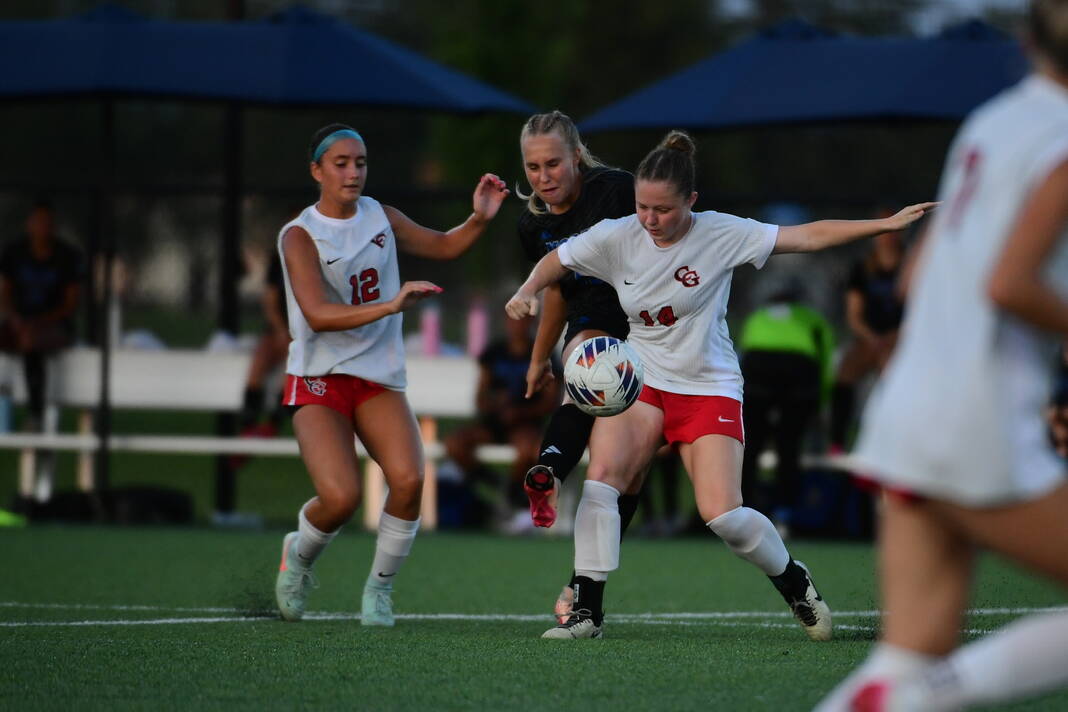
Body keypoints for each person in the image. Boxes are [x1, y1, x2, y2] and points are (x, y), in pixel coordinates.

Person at [506, 129, 934, 641]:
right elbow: (557, 261)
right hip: (645, 381)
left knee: (723, 514)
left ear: (691, 200)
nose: (649, 220)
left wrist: (885, 224)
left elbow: (807, 236)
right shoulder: (618, 234)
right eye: (642, 207)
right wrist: (527, 290)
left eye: (663, 209)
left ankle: (794, 580)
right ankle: (586, 613)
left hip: (708, 385)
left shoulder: (721, 233)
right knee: (602, 480)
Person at [816, 1, 1068, 708]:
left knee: (906, 659)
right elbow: (1009, 283)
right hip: (978, 423)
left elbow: (915, 278)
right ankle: (929, 697)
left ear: (1027, 40)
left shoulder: (991, 122)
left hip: (908, 409)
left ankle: (917, 694)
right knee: (914, 687)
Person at [274, 123, 508, 626]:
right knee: (341, 498)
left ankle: (378, 591)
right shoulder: (299, 235)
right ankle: (299, 555)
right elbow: (317, 314)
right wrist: (391, 305)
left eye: (360, 162)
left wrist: (479, 218)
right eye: (340, 163)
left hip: (375, 376)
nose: (353, 172)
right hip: (320, 376)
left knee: (408, 479)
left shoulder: (381, 215)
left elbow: (444, 246)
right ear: (316, 171)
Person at [513, 111, 644, 617]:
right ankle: (548, 470)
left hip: (650, 323)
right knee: (588, 367)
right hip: (594, 320)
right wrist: (538, 358)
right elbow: (556, 293)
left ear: (576, 157)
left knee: (629, 474)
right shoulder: (533, 225)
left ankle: (578, 586)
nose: (543, 177)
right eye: (533, 167)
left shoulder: (616, 191)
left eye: (553, 164)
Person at [439, 313, 560, 530]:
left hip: (526, 422)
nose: (517, 325)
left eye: (523, 320)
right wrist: (495, 404)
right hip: (494, 422)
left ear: (532, 323)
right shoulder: (494, 352)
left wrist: (520, 411)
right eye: (512, 320)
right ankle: (493, 484)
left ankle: (515, 496)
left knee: (528, 449)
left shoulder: (544, 353)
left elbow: (550, 401)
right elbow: (481, 396)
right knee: (454, 443)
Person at [738, 283, 835, 535]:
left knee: (751, 444)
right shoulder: (811, 318)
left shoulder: (757, 317)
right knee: (788, 444)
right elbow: (826, 362)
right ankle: (785, 514)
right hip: (799, 369)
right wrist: (822, 403)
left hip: (758, 367)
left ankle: (742, 509)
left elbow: (743, 354)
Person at [0, 199, 83, 431]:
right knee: (22, 337)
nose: (43, 228)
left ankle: (35, 415)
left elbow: (70, 304)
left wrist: (38, 322)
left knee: (31, 340)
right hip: (19, 324)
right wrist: (14, 318)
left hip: (53, 326)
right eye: (38, 222)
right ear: (29, 224)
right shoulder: (14, 253)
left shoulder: (66, 256)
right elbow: (4, 294)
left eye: (47, 223)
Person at [828, 216, 905, 452]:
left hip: (899, 338)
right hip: (869, 338)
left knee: (893, 374)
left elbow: (919, 308)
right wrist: (871, 337)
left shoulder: (908, 264)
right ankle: (837, 443)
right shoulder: (862, 269)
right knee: (845, 373)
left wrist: (896, 337)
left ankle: (893, 441)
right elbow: (854, 315)